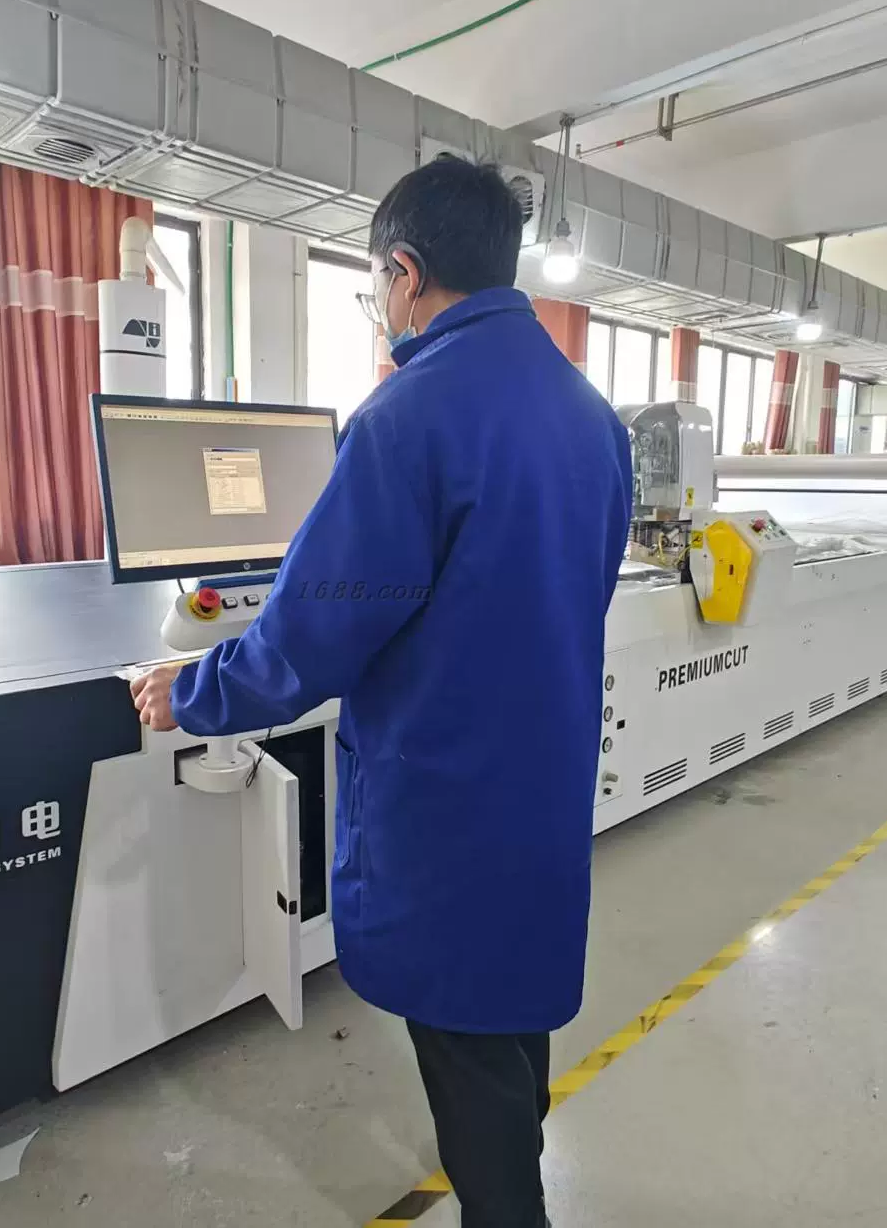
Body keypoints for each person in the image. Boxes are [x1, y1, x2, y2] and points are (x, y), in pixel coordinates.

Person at [131, 156, 632, 1227]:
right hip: (541, 781)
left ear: (404, 274)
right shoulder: (591, 416)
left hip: (445, 800)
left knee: (465, 1048)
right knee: (509, 1014)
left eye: (376, 284)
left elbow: (314, 636)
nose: (381, 304)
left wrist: (194, 692)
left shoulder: (406, 417)